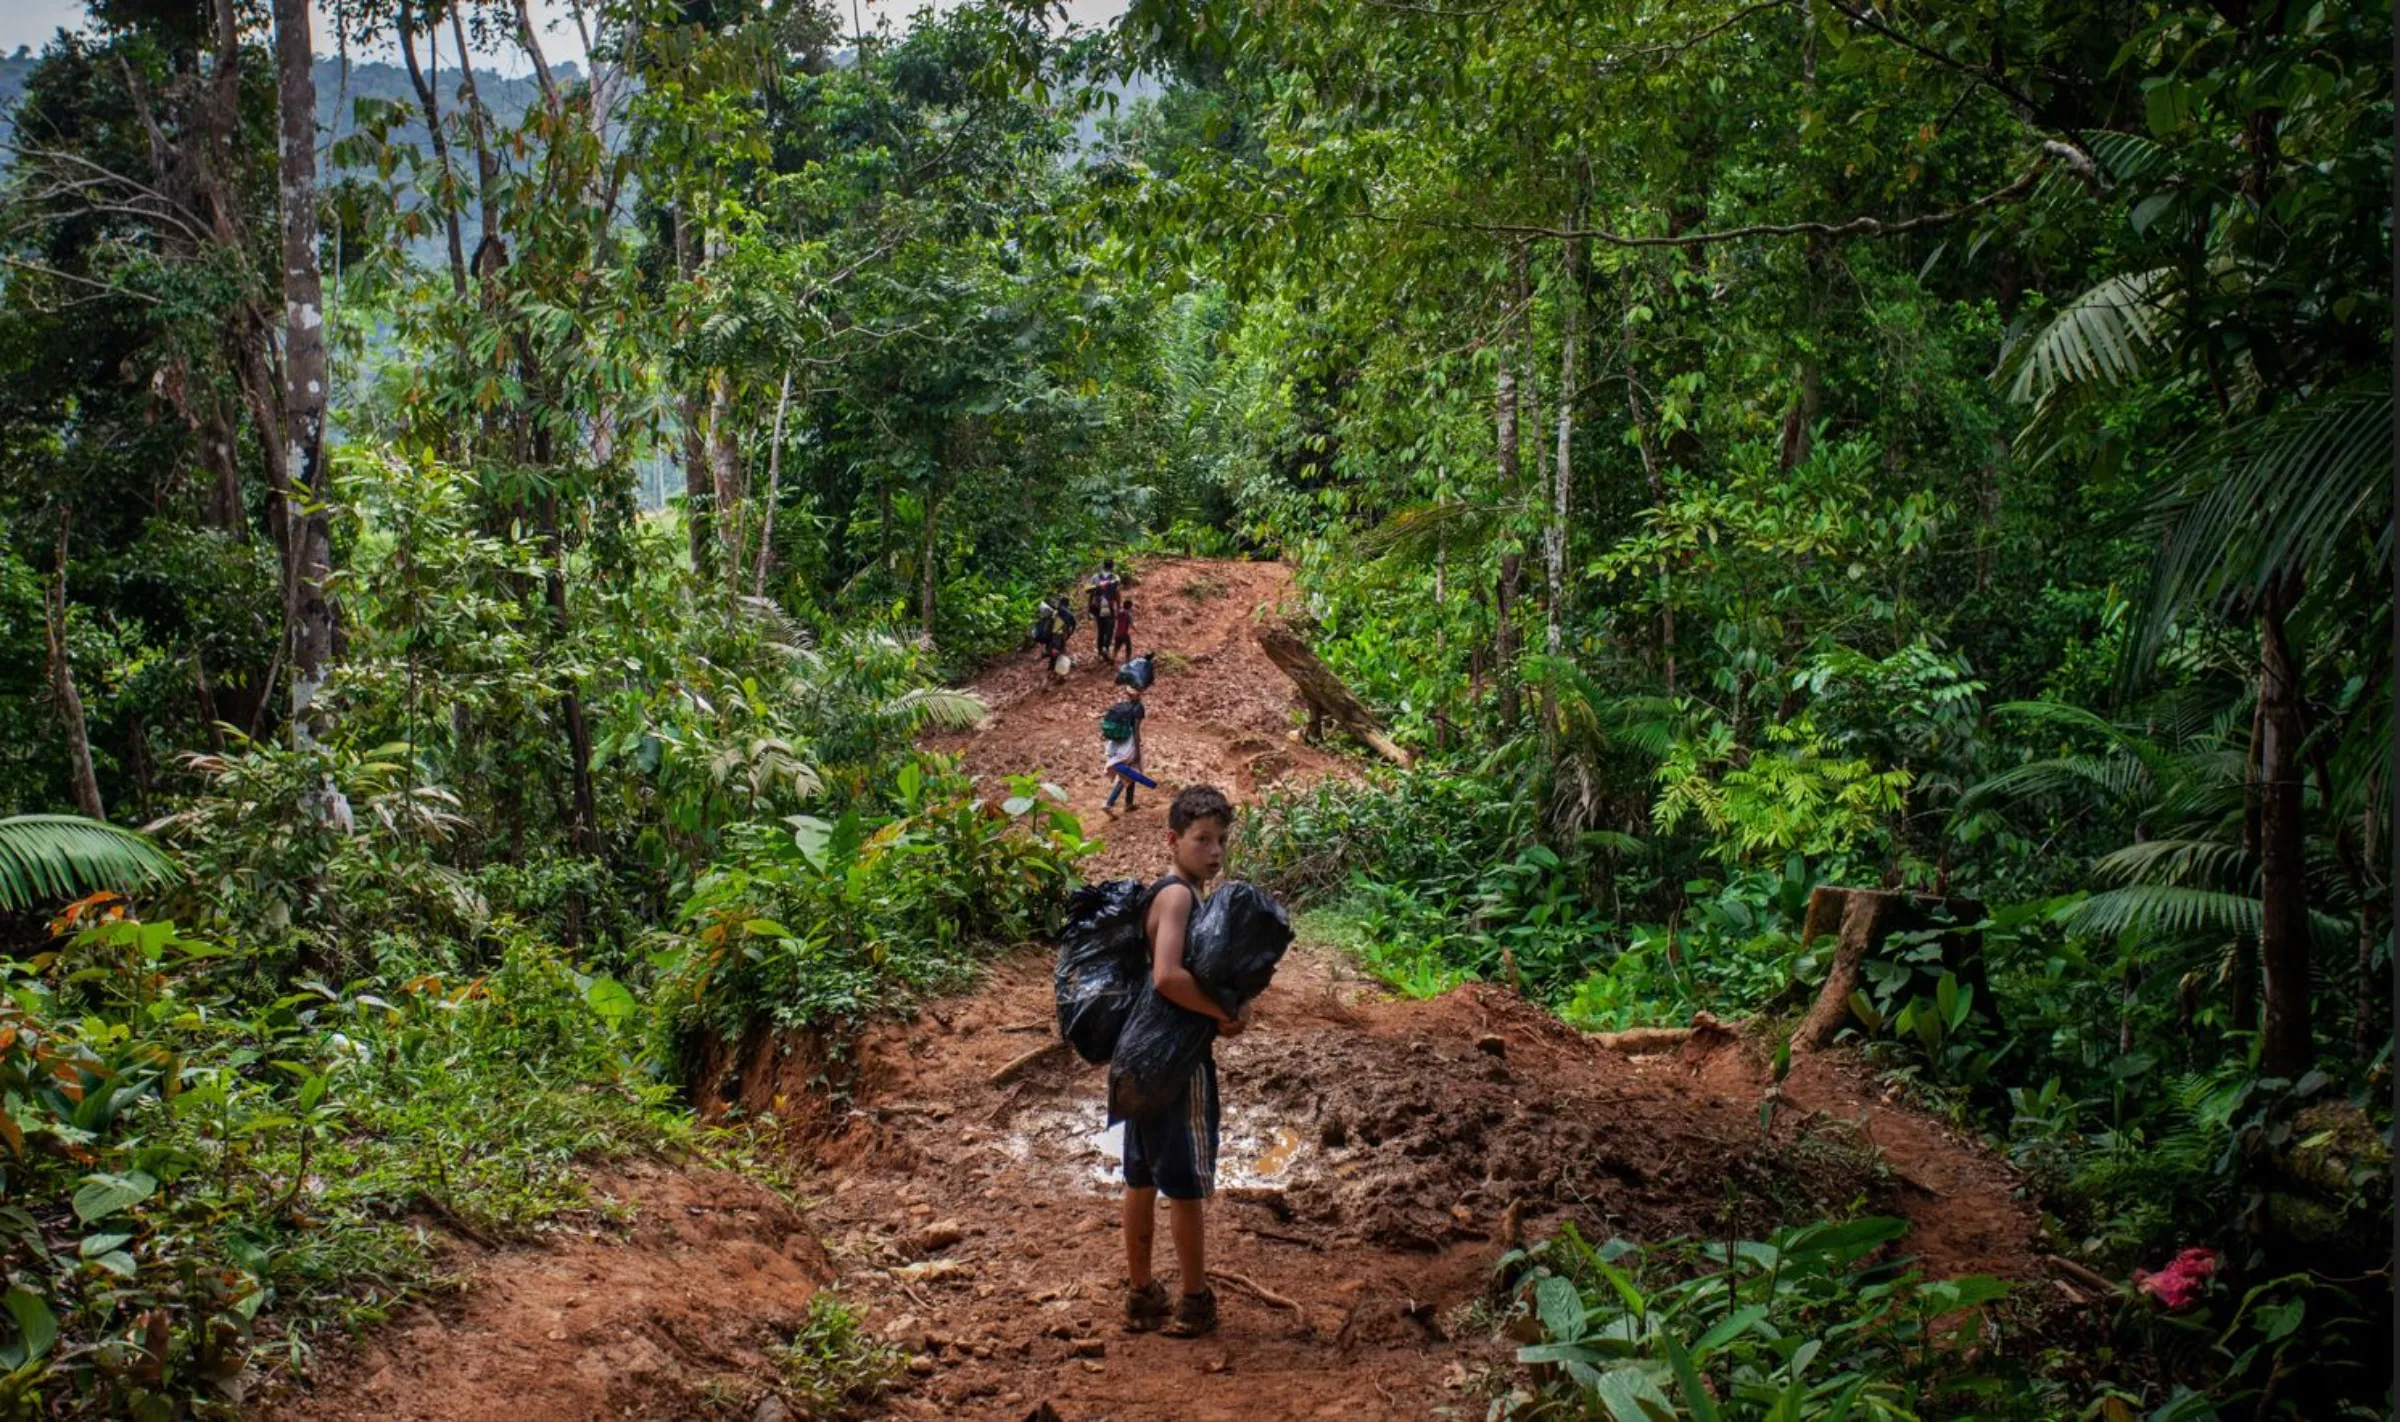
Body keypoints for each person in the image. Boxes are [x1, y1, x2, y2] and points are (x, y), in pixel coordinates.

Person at [1121, 785, 1248, 1339]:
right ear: (1173, 840)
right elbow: (1168, 977)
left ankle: (1141, 1294)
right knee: (1186, 1185)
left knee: (1142, 1178)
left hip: (1139, 1053)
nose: (1214, 851)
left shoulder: (1179, 893)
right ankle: (1195, 1301)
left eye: (1221, 840)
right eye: (1201, 839)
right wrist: (1221, 1011)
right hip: (1174, 1060)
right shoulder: (1177, 897)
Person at [1100, 686, 1150, 812]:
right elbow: (1136, 731)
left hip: (1117, 743)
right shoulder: (1139, 708)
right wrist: (1137, 752)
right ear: (1140, 694)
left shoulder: (1125, 706)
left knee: (1131, 772)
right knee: (1128, 774)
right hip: (1129, 744)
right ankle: (1109, 803)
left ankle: (1129, 803)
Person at [1088, 560, 1120, 661]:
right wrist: (1118, 607)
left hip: (1097, 606)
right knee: (1109, 628)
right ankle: (1106, 647)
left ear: (1103, 566)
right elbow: (1117, 593)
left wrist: (1089, 608)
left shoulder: (1095, 577)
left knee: (1101, 629)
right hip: (1108, 606)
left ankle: (1100, 652)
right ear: (1112, 567)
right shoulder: (1114, 578)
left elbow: (1091, 593)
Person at [1112, 598, 1134, 665]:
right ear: (1130, 606)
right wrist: (1138, 631)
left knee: (1116, 647)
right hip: (1124, 634)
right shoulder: (1128, 614)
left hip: (1117, 633)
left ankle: (1113, 659)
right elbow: (1131, 625)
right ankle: (1127, 660)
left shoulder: (1119, 612)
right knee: (1128, 647)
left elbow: (1115, 619)